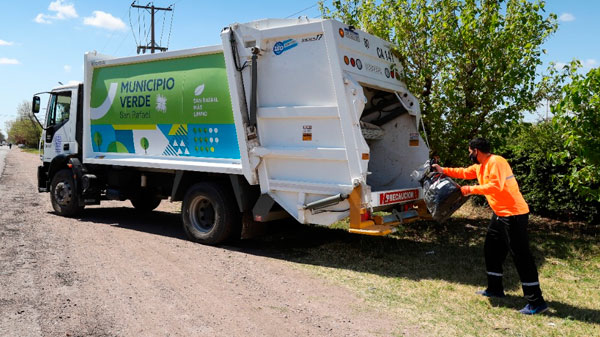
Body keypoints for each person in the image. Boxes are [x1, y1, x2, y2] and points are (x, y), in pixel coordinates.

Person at [432, 137, 549, 315]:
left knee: (521, 257)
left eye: (469, 151)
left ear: (476, 151)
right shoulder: (481, 166)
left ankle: (536, 302)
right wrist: (443, 170)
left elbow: (495, 187)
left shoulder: (496, 162)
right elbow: (464, 172)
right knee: (491, 250)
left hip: (514, 215)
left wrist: (468, 190)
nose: (469, 154)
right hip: (500, 214)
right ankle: (495, 289)